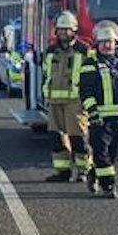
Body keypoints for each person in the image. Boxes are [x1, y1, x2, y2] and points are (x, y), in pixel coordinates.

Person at [78, 20, 118, 197]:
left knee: (114, 153)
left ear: (115, 43)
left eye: (111, 42)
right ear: (97, 44)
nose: (107, 45)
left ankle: (94, 174)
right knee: (102, 152)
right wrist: (92, 112)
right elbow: (85, 91)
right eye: (104, 42)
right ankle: (109, 186)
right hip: (100, 118)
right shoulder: (90, 64)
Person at [40, 10, 93, 182]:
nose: (63, 33)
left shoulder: (84, 51)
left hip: (76, 102)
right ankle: (63, 172)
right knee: (56, 138)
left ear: (74, 31)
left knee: (78, 138)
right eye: (61, 29)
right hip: (54, 102)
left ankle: (84, 171)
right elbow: (46, 73)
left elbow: (91, 76)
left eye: (67, 29)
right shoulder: (50, 51)